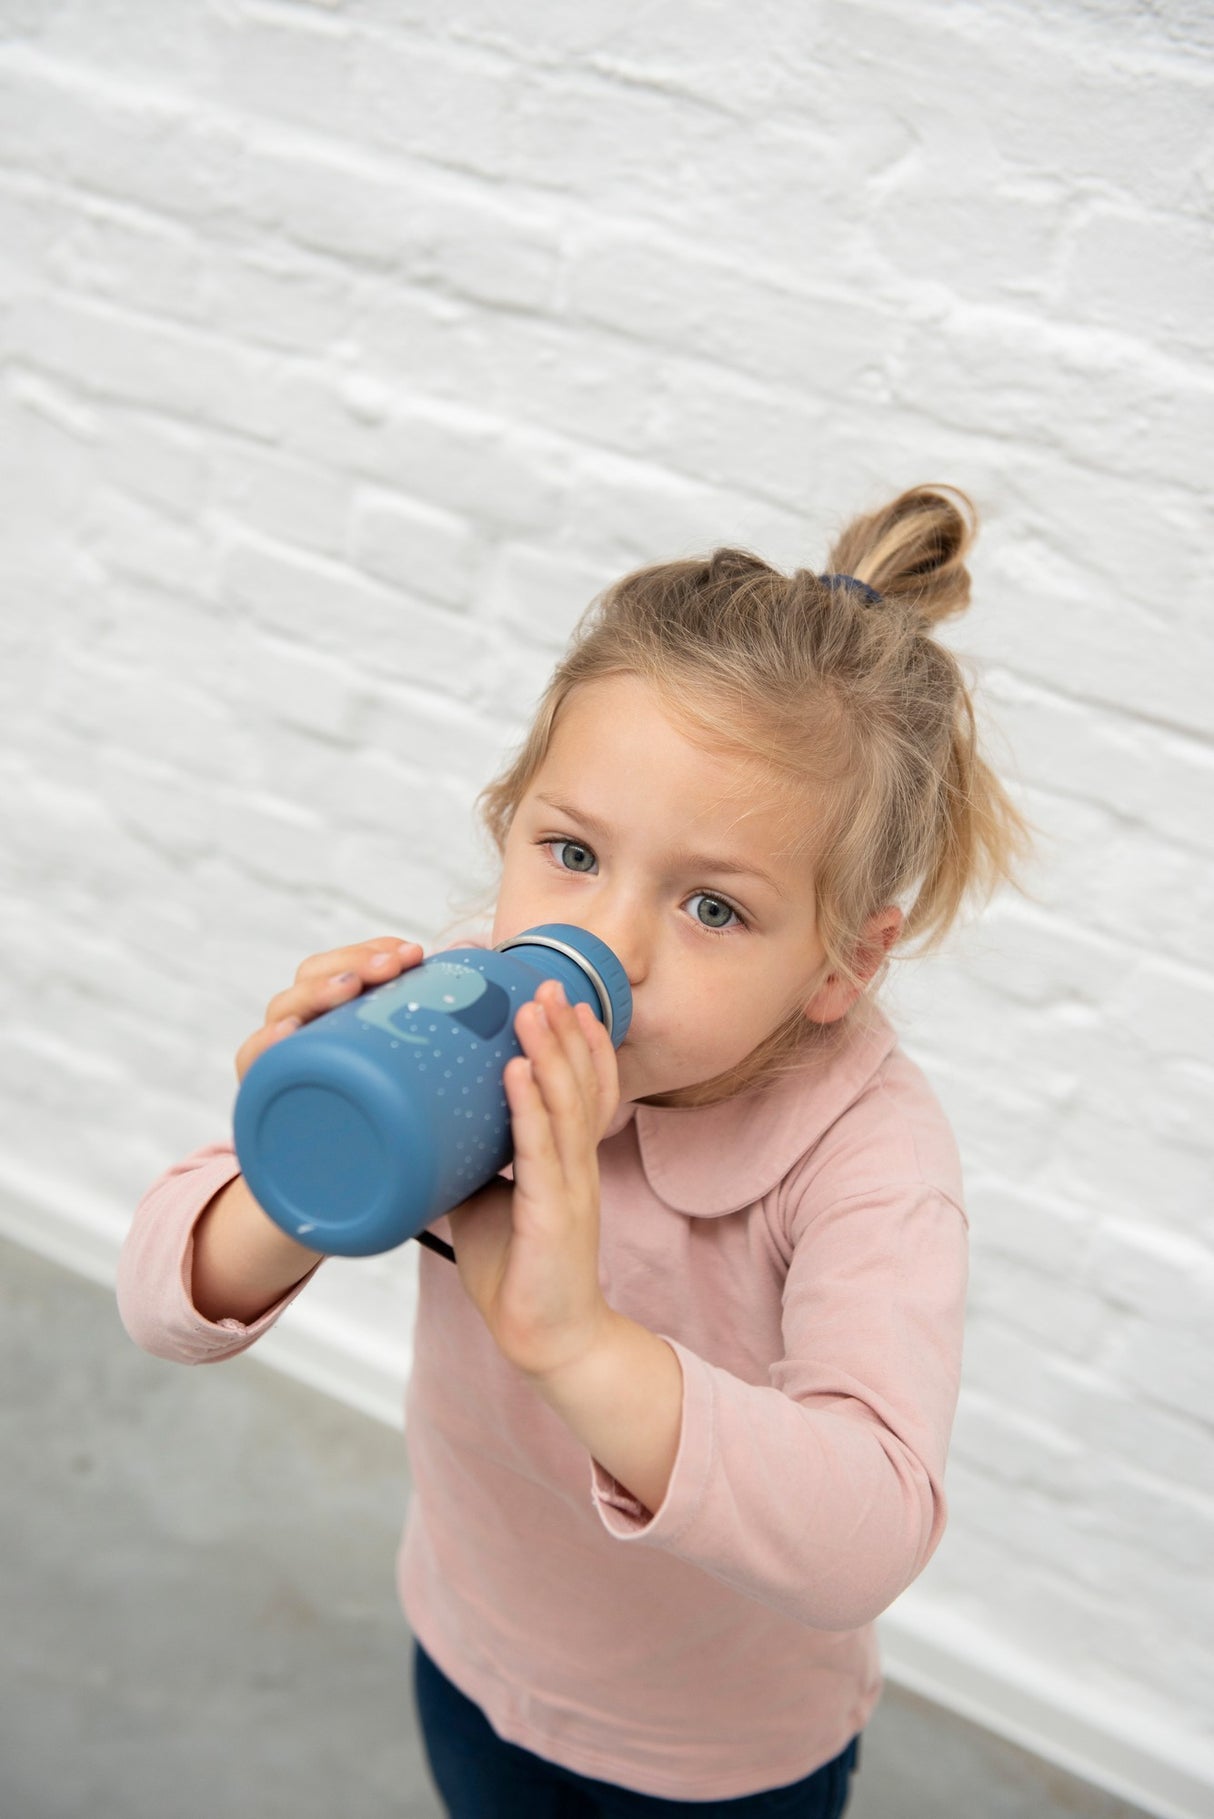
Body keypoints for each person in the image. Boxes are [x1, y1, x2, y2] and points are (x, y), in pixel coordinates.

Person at [118, 484, 1032, 1817]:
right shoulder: (458, 1034)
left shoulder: (864, 1163)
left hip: (718, 1757)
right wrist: (290, 1163)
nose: (611, 943)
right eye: (570, 852)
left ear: (844, 959)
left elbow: (867, 1534)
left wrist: (577, 1343)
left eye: (714, 904)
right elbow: (158, 1302)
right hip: (472, 1647)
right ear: (509, 821)